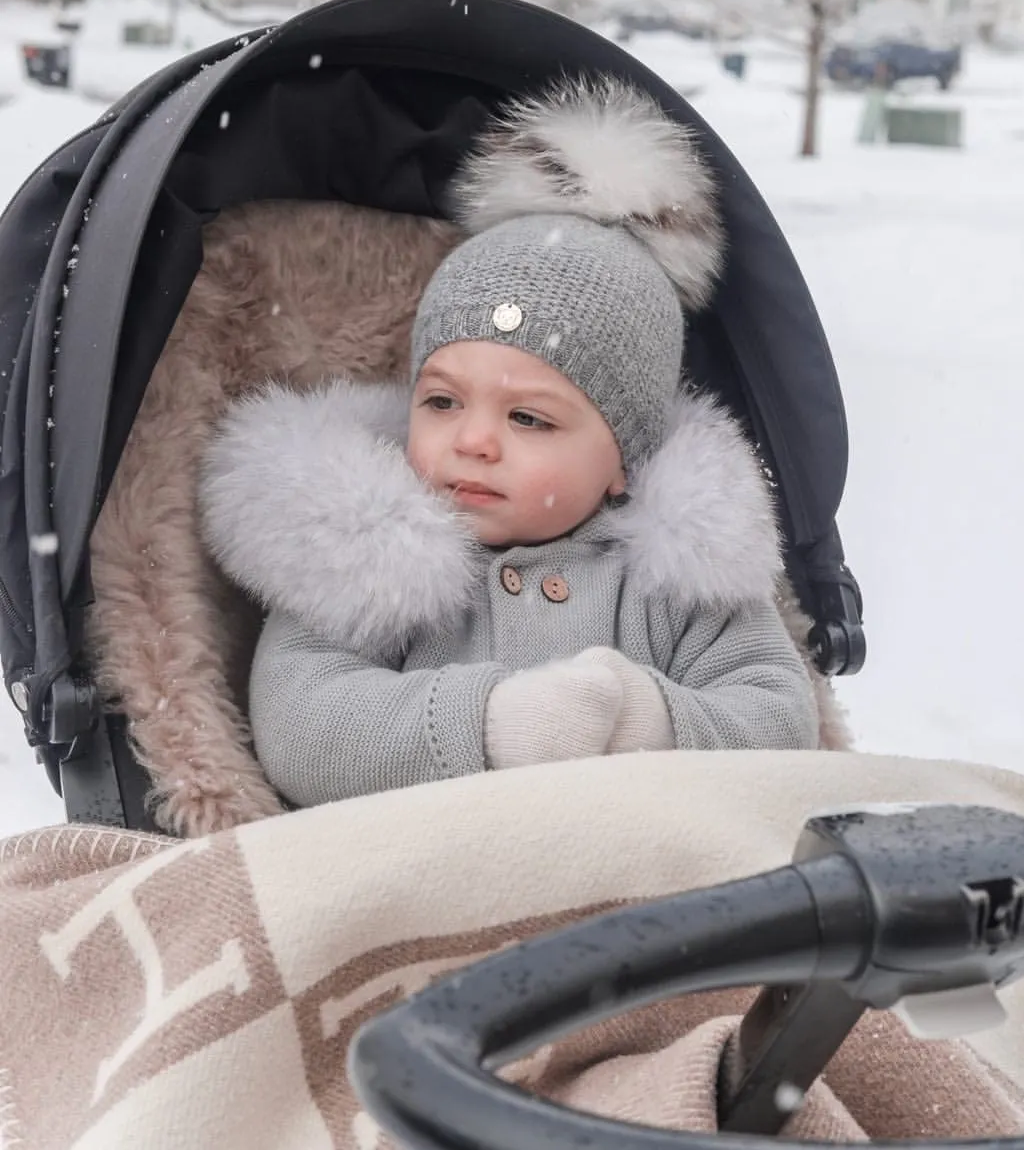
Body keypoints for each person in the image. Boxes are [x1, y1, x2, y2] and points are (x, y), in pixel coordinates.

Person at [199, 78, 819, 807]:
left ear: (626, 458)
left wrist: (655, 722)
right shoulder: (367, 556)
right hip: (419, 884)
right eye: (441, 401)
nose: (473, 441)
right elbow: (305, 725)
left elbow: (778, 715)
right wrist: (491, 725)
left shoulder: (673, 580)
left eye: (528, 419)